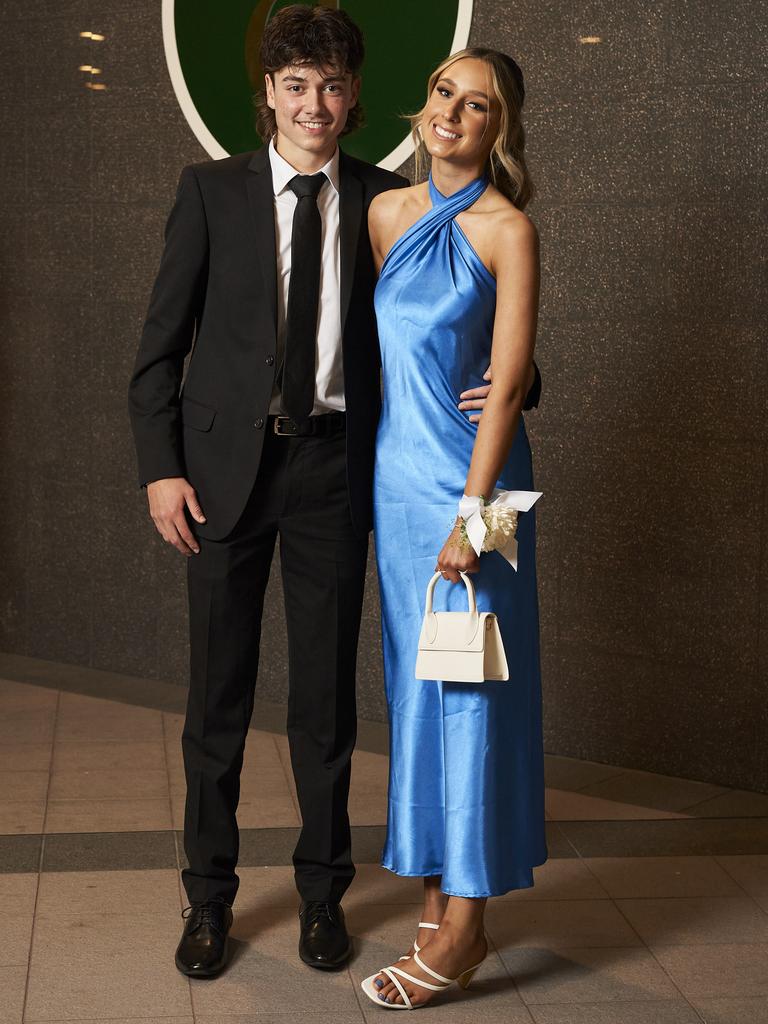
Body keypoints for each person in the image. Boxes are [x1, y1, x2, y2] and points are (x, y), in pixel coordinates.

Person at [129, 6, 540, 980]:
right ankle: (211, 899)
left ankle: (325, 898)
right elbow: (157, 350)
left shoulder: (378, 201)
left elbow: (461, 321)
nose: (315, 102)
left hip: (337, 476)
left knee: (326, 703)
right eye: (296, 84)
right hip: (226, 476)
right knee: (216, 702)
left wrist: (521, 382)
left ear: (355, 99)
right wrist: (161, 465)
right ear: (268, 94)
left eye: (332, 85)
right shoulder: (212, 193)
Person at [362, 48, 546, 1009]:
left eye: (477, 105)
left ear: (497, 128)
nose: (453, 113)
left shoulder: (507, 228)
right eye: (442, 92)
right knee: (420, 692)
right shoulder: (385, 214)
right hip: (399, 490)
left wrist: (474, 520)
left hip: (477, 493)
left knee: (474, 695)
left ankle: (466, 930)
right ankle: (436, 903)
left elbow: (508, 382)